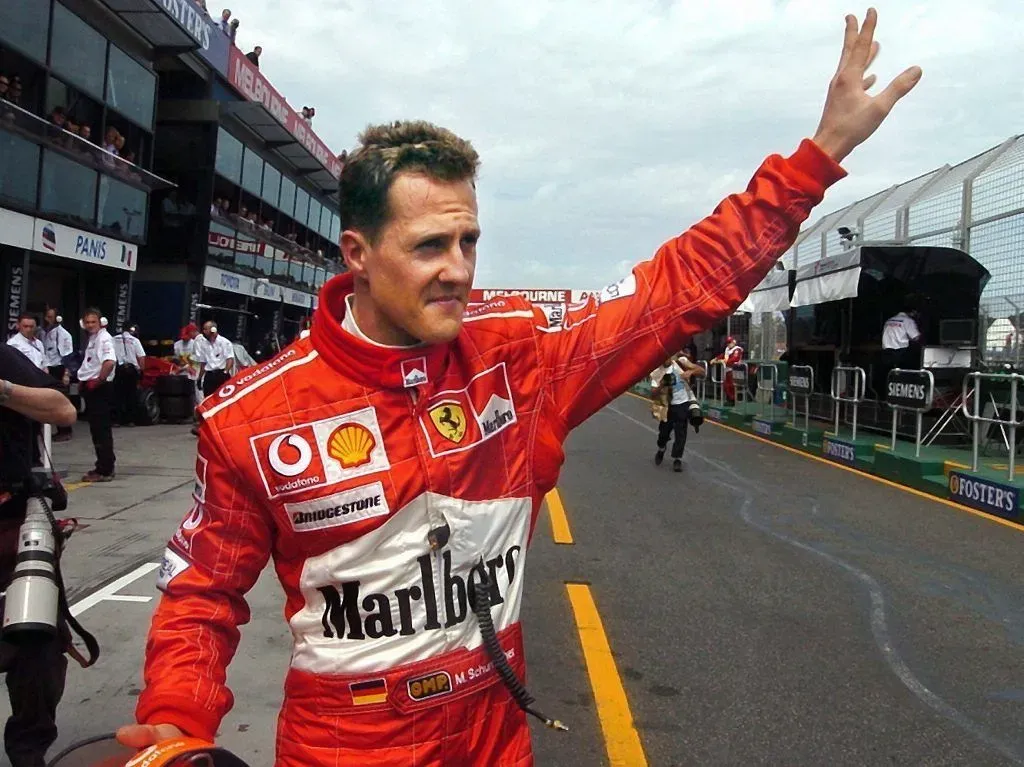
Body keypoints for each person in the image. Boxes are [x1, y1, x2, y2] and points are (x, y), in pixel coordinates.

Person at [119, 10, 920, 765]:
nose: (460, 268)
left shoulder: (521, 352)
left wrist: (816, 158)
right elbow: (200, 593)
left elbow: (676, 289)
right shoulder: (254, 416)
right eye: (431, 244)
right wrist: (178, 719)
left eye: (469, 238)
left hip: (493, 731)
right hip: (345, 741)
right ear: (357, 254)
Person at [0, 344, 77, 767]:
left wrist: (4, 391)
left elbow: (62, 411)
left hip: (9, 523)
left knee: (35, 642)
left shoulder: (5, 359)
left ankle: (28, 751)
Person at [76, 309, 116, 483]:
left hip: (99, 388)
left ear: (101, 322)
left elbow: (109, 361)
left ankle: (105, 469)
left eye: (93, 322)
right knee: (96, 430)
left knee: (101, 430)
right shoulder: (93, 338)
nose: (90, 325)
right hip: (91, 386)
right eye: (87, 322)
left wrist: (99, 380)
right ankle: (103, 465)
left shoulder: (104, 338)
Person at [650, 350, 705, 472]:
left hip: (682, 403)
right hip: (667, 405)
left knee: (681, 432)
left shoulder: (681, 362)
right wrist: (662, 385)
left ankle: (677, 458)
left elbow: (702, 371)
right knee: (663, 433)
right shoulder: (657, 372)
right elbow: (653, 394)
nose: (667, 359)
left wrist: (690, 372)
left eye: (669, 356)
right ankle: (661, 448)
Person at [40, 311, 74, 442]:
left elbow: (68, 355)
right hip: (47, 367)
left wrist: (66, 373)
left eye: (50, 317)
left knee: (62, 399)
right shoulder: (43, 332)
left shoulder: (64, 334)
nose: (47, 319)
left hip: (59, 368)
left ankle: (65, 430)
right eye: (46, 316)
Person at [113, 323, 146, 427]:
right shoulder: (135, 340)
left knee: (117, 395)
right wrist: (141, 371)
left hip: (118, 369)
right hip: (132, 370)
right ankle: (130, 420)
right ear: (131, 330)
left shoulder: (113, 339)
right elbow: (141, 357)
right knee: (131, 395)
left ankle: (117, 420)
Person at [195, 321, 235, 399]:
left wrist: (225, 372)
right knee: (208, 399)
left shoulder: (225, 342)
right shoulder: (203, 344)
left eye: (206, 329)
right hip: (209, 376)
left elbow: (230, 359)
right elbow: (203, 363)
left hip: (221, 374)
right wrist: (199, 378)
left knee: (223, 399)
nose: (204, 331)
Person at [713, 335, 744, 404]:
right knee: (725, 385)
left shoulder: (737, 349)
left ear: (734, 342)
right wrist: (715, 359)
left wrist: (724, 361)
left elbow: (735, 359)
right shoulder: (727, 349)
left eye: (730, 342)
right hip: (727, 370)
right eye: (727, 343)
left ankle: (733, 400)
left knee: (731, 385)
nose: (728, 344)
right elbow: (723, 355)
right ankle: (730, 399)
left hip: (735, 370)